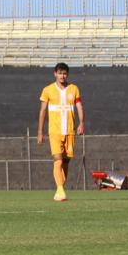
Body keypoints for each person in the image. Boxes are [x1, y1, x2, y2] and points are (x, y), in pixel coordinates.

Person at [37, 62, 85, 201]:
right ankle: (60, 189)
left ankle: (60, 188)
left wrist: (81, 123)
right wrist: (40, 131)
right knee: (57, 159)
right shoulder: (47, 90)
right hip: (55, 131)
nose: (62, 76)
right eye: (60, 73)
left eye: (64, 73)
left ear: (67, 74)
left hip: (70, 131)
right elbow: (42, 111)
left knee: (66, 161)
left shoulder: (74, 89)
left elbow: (79, 107)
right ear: (55, 74)